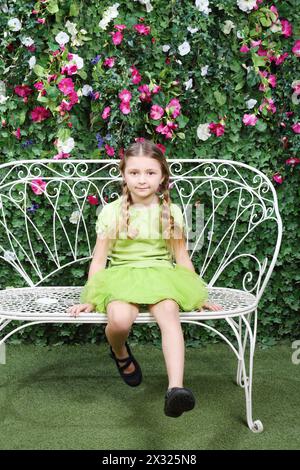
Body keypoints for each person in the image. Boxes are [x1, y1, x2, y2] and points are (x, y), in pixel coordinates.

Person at [67, 139, 222, 418]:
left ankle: (176, 389)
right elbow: (100, 259)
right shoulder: (112, 212)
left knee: (169, 313)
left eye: (150, 173)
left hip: (162, 276)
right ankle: (119, 351)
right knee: (120, 320)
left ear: (162, 176)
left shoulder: (171, 212)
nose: (142, 180)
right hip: (122, 276)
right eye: (134, 173)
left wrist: (198, 294)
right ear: (123, 175)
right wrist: (90, 298)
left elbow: (181, 257)